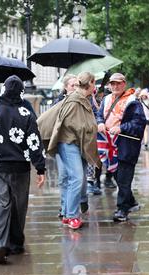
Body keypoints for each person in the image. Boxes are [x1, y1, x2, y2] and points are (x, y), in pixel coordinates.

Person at [0, 75, 46, 264]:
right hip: (20, 167)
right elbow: (35, 143)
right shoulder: (26, 114)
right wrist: (40, 168)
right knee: (18, 205)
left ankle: (0, 244)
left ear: (4, 90)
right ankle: (16, 243)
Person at [38, 72, 100, 230]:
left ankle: (67, 213)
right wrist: (93, 128)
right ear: (90, 83)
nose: (96, 86)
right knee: (76, 178)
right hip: (68, 143)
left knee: (74, 178)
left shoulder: (81, 98)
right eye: (95, 83)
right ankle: (72, 215)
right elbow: (74, 124)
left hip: (74, 144)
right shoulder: (75, 100)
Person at [96, 73, 147, 222]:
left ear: (124, 84)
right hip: (109, 145)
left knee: (124, 178)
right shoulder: (106, 99)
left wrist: (121, 128)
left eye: (118, 83)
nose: (115, 86)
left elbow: (139, 123)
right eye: (112, 83)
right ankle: (131, 202)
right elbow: (100, 115)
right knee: (119, 177)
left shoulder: (133, 101)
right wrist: (100, 122)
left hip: (126, 146)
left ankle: (122, 209)